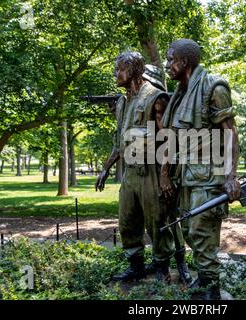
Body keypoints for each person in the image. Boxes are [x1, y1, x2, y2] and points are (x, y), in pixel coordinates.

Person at [160, 39, 241, 299]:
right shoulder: (180, 95)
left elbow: (230, 135)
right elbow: (174, 139)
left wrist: (231, 177)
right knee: (188, 231)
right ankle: (204, 281)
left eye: (170, 60)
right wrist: (164, 174)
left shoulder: (213, 87)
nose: (167, 65)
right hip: (185, 176)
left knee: (201, 232)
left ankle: (211, 291)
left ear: (184, 62)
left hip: (208, 177)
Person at [95, 52, 175, 283]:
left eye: (119, 68)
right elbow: (121, 141)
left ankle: (162, 268)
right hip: (130, 172)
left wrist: (164, 175)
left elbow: (169, 139)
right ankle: (136, 266)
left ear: (133, 70)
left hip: (151, 170)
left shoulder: (155, 98)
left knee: (157, 222)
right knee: (127, 222)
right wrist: (106, 168)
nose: (115, 74)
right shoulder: (122, 102)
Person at [141, 64, 193, 285]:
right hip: (152, 165)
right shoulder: (147, 102)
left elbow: (167, 132)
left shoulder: (160, 100)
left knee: (170, 217)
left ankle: (181, 262)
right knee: (156, 218)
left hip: (166, 165)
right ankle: (165, 262)